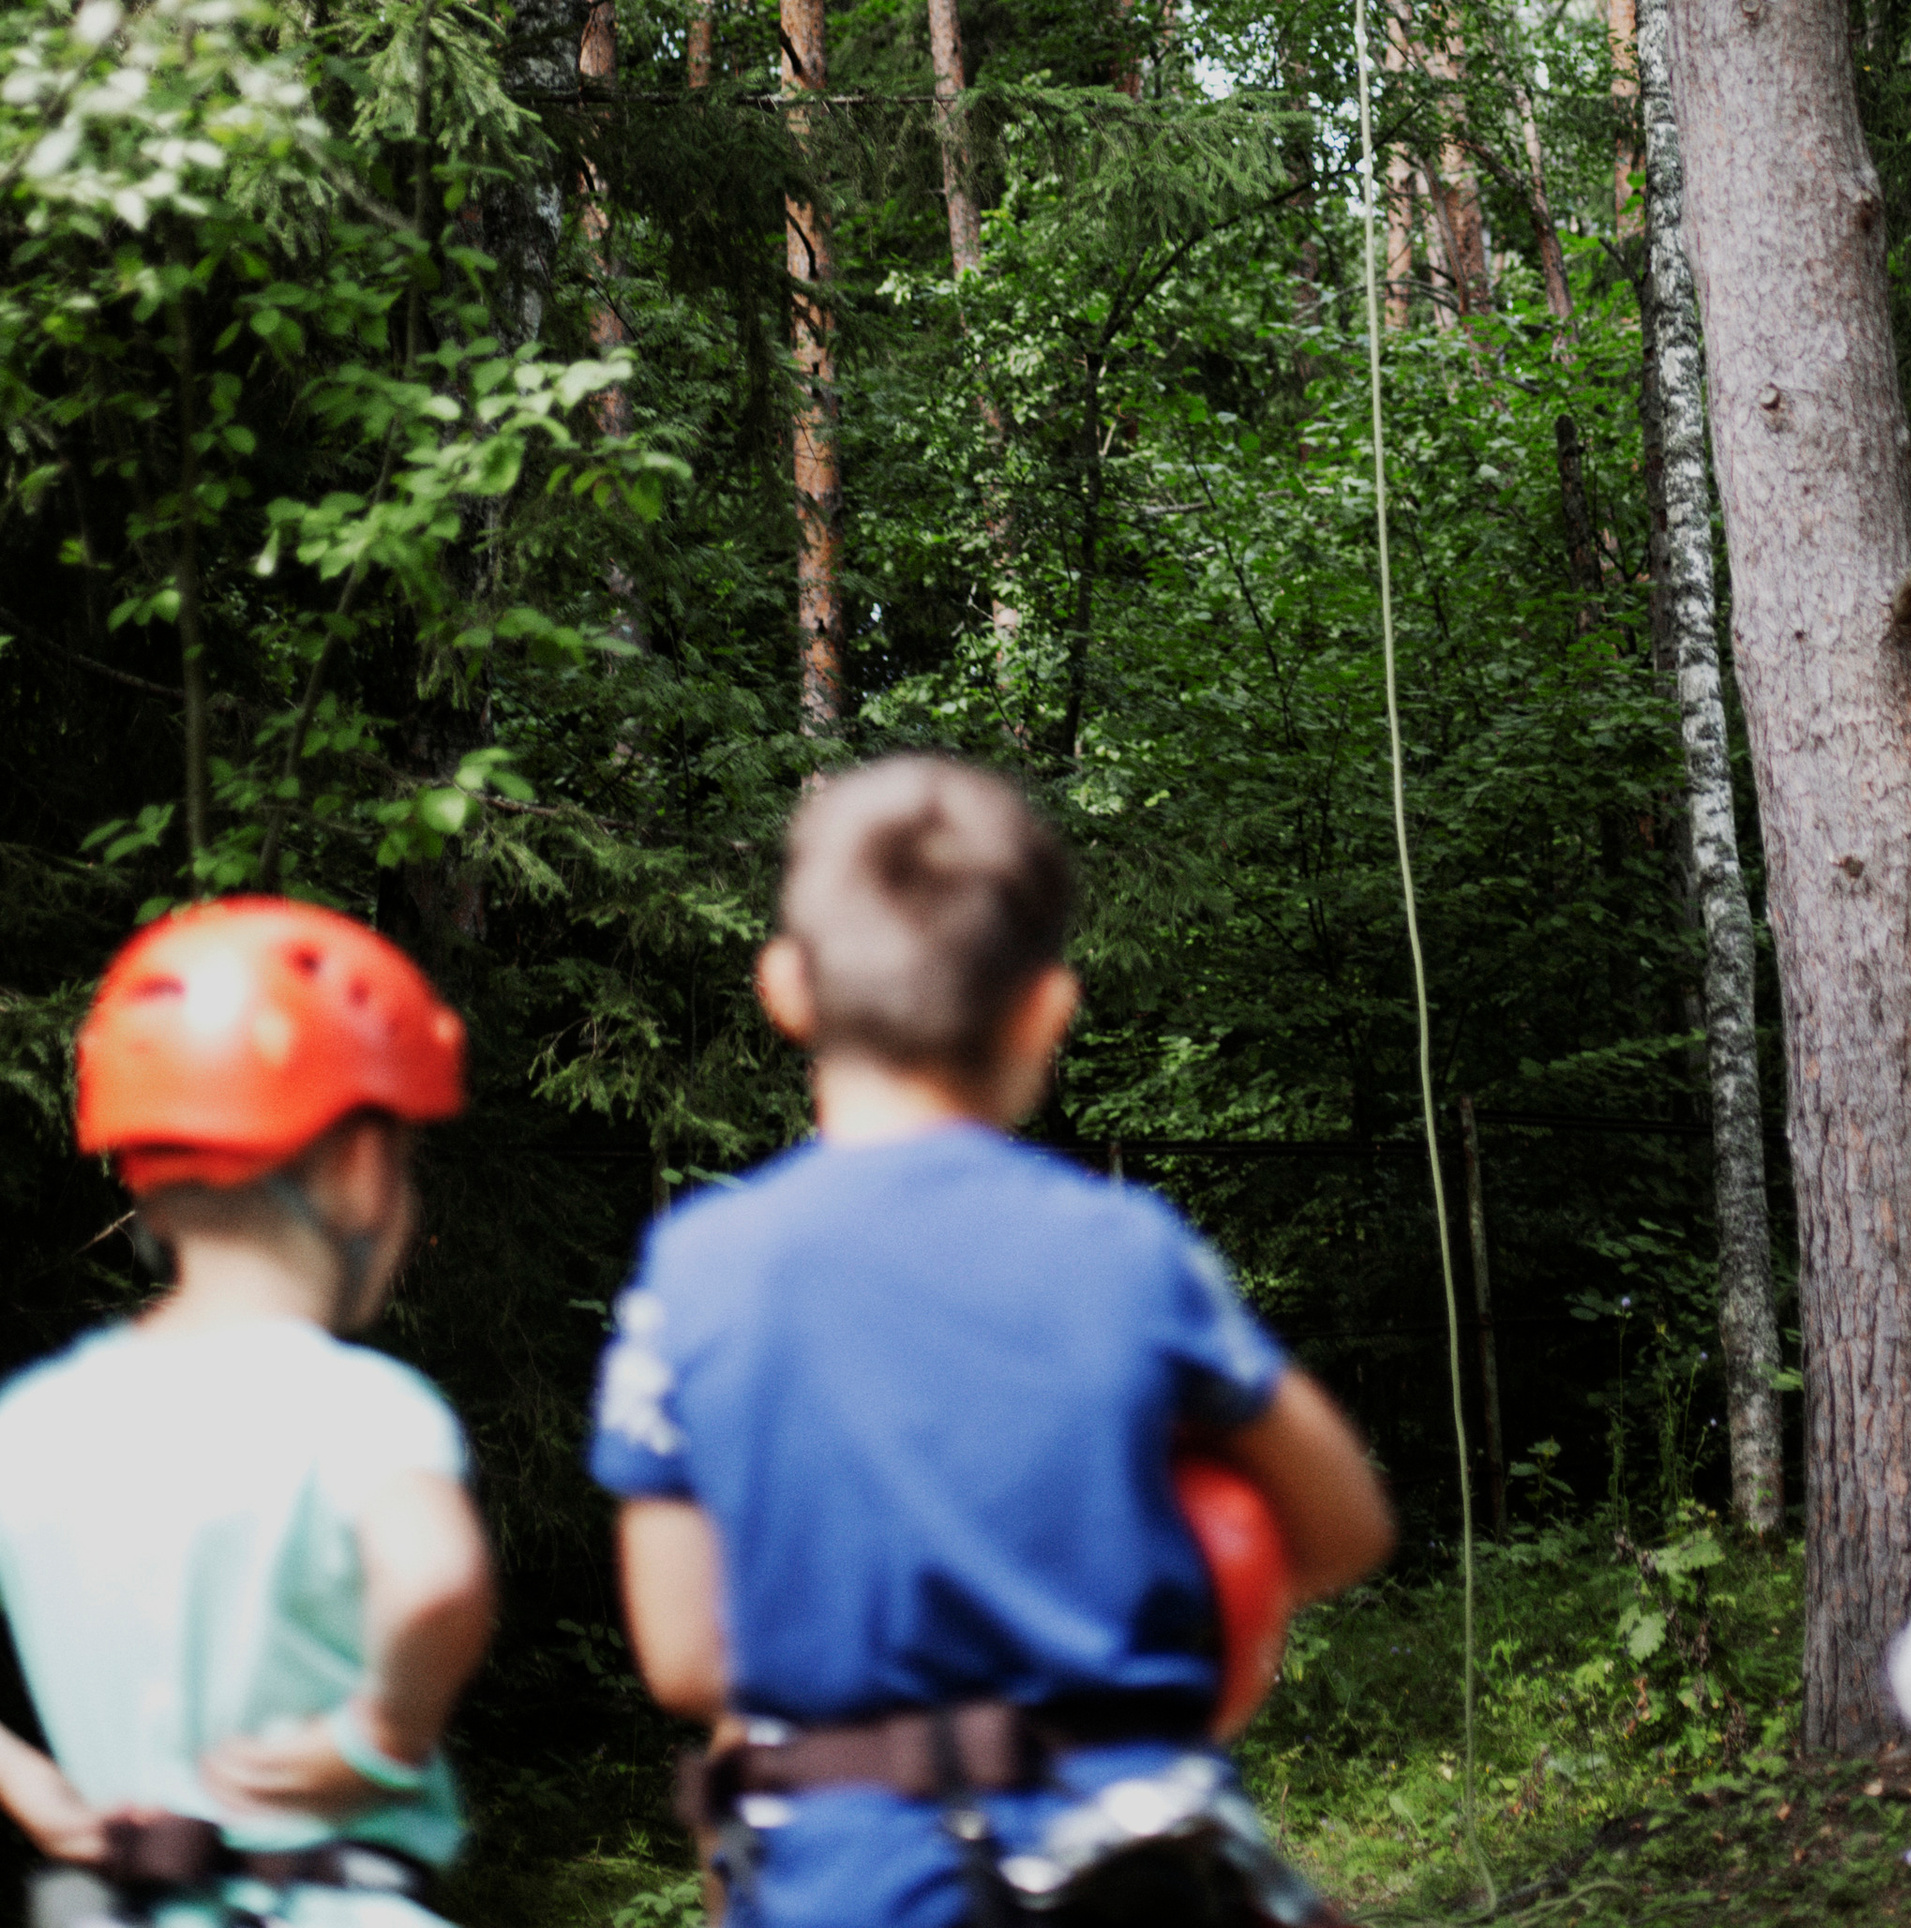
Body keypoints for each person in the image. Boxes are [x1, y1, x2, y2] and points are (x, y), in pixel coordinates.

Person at [592, 755, 1395, 1928]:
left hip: (844, 1884)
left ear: (786, 990)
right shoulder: (1128, 1252)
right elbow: (1343, 1526)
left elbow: (682, 1654)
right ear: (1046, 1010)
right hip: (1133, 1870)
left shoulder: (696, 1267)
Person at [0, 898, 493, 1928]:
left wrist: (29, 1787)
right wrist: (381, 1740)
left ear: (142, 1169)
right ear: (360, 1170)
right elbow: (437, 1580)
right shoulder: (360, 1409)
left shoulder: (33, 1423)